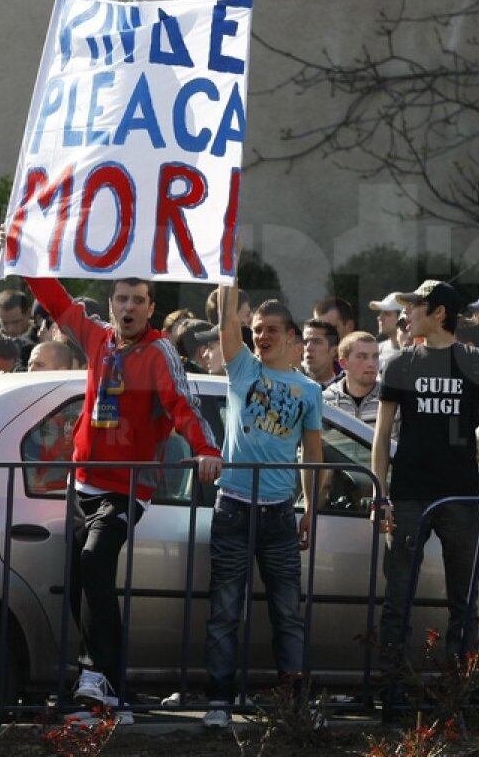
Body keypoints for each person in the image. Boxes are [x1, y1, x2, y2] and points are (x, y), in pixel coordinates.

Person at [23, 273, 221, 714]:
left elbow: (182, 404)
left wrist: (207, 448)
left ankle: (97, 674)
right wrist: (26, 256)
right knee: (80, 584)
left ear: (151, 308)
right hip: (82, 481)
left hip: (127, 486)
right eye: (122, 299)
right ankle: (106, 682)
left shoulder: (158, 351)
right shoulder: (98, 337)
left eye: (137, 300)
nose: (128, 307)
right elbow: (56, 302)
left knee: (96, 561)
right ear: (111, 303)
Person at [202, 278, 322, 729]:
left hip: (278, 514)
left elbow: (313, 454)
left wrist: (311, 507)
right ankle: (218, 700)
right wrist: (226, 270)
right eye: (257, 329)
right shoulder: (242, 369)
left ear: (292, 336)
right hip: (233, 506)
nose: (263, 335)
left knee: (288, 614)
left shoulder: (309, 391)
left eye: (272, 329)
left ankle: (295, 701)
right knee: (225, 611)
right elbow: (224, 322)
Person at [371, 280, 479, 677]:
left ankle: (458, 697)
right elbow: (380, 438)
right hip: (409, 495)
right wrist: (380, 497)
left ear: (439, 313)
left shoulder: (477, 362)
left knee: (464, 602)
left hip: (461, 497)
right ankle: (391, 693)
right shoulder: (400, 363)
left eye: (414, 307)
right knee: (397, 600)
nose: (406, 315)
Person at [323, 331, 384, 425]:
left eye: (375, 357)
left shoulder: (391, 399)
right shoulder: (325, 401)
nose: (371, 363)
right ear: (343, 363)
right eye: (362, 357)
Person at [301, 319, 340, 389]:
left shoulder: (344, 389)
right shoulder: (287, 384)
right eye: (305, 342)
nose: (308, 348)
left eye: (316, 342)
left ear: (334, 351)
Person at [369, 292, 404, 367]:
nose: (380, 318)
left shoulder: (417, 352)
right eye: (380, 313)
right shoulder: (377, 350)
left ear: (403, 318)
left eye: (387, 314)